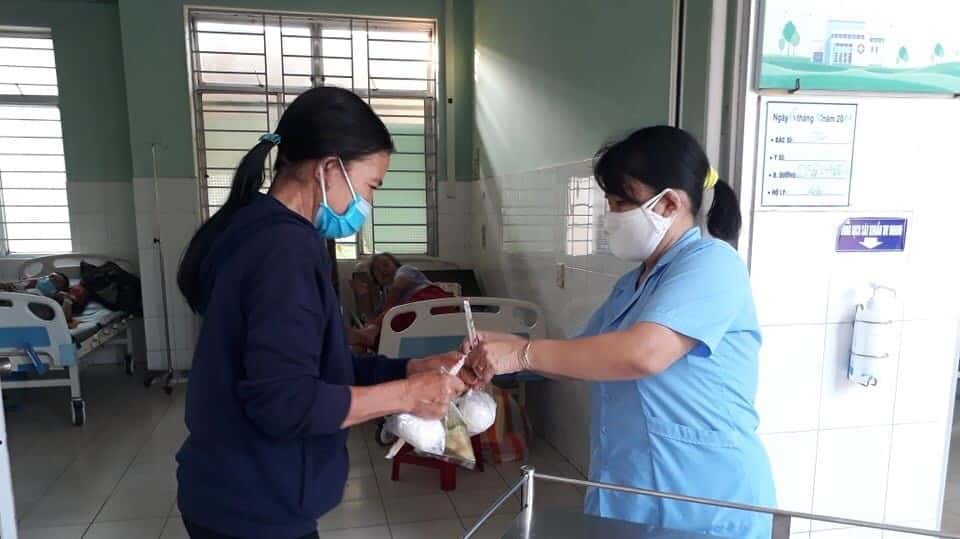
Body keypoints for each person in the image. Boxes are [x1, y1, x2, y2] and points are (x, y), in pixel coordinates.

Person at [175, 87, 469, 539]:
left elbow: (314, 366)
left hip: (230, 490)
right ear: (330, 168)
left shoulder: (252, 226)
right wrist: (407, 395)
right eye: (371, 186)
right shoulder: (285, 250)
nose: (367, 204)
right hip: (254, 507)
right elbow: (286, 403)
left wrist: (409, 368)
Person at [464, 126, 776, 538]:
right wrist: (504, 347)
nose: (609, 216)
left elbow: (643, 354)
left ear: (669, 203)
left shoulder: (713, 265)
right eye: (609, 203)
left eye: (621, 203)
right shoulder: (634, 283)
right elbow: (582, 355)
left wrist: (521, 355)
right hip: (631, 493)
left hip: (703, 500)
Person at [348, 253, 454, 350]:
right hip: (414, 319)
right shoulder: (385, 295)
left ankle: (367, 336)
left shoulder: (405, 270)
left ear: (396, 265)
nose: (383, 270)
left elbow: (397, 288)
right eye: (377, 270)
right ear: (375, 279)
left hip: (432, 302)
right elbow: (372, 318)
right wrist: (364, 295)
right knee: (372, 339)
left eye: (385, 264)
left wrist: (385, 316)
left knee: (381, 328)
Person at [0, 272, 87, 328]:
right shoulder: (26, 288)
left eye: (54, 282)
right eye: (49, 276)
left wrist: (66, 299)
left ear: (58, 291)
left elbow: (63, 319)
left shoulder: (48, 304)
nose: (48, 280)